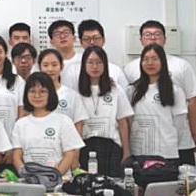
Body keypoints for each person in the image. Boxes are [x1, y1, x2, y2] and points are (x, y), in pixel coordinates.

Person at [124, 20, 196, 164]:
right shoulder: (131, 82)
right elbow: (128, 118)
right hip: (140, 148)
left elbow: (181, 121)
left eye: (157, 34)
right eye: (146, 59)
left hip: (170, 148)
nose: (150, 63)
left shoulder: (179, 76)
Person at [12, 73, 84, 175]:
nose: (37, 96)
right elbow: (17, 155)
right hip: (29, 181)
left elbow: (69, 154)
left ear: (51, 94)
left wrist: (54, 176)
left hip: (59, 182)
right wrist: (27, 175)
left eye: (42, 91)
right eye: (32, 91)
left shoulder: (64, 121)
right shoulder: (20, 124)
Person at [76, 46, 132, 177]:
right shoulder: (77, 91)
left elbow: (123, 122)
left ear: (105, 65)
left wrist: (126, 151)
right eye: (90, 62)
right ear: (84, 65)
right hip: (85, 146)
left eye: (99, 62)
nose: (94, 66)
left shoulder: (115, 89)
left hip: (111, 146)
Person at [129, 44, 187, 160]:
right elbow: (128, 121)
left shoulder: (174, 90)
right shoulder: (132, 90)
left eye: (155, 59)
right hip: (139, 151)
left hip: (166, 153)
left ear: (163, 62)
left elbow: (179, 125)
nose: (150, 63)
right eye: (146, 59)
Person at [60, 20, 129, 90]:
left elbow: (125, 93)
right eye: (87, 39)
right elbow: (66, 94)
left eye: (96, 38)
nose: (92, 42)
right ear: (81, 42)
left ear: (103, 40)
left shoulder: (115, 70)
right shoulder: (72, 71)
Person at [35, 49, 88, 136]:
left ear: (62, 66)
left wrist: (76, 144)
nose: (50, 69)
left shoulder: (72, 95)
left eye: (54, 65)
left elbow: (78, 123)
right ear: (39, 67)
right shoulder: (33, 95)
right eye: (45, 65)